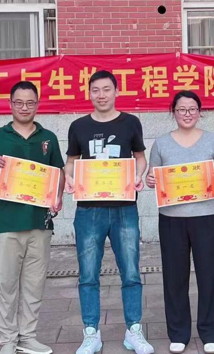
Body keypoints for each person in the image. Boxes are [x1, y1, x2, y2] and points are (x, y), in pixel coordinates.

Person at [0, 81, 65, 354]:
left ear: (37, 104)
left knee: (34, 284)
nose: (25, 107)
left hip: (40, 223)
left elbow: (58, 172)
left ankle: (28, 337)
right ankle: (8, 341)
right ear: (10, 104)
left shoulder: (48, 138)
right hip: (8, 224)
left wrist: (58, 197)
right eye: (19, 102)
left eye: (30, 102)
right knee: (6, 285)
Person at [63, 70, 153, 354]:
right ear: (89, 93)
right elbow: (71, 161)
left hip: (124, 208)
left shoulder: (131, 123)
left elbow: (140, 158)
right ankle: (91, 332)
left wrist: (138, 175)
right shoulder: (78, 126)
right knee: (88, 274)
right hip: (88, 210)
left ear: (116, 91)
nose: (101, 95)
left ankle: (133, 330)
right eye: (95, 90)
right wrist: (68, 177)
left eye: (106, 89)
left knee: (131, 272)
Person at [145, 91, 214, 354]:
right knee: (174, 277)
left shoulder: (212, 140)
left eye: (192, 109)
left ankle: (211, 332)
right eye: (181, 109)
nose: (187, 114)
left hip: (206, 217)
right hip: (172, 219)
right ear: (174, 112)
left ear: (200, 112)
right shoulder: (161, 143)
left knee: (209, 276)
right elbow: (152, 176)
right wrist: (150, 180)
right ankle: (178, 333)